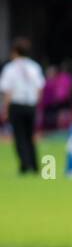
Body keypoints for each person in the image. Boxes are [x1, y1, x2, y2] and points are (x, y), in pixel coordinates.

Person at [0, 38, 44, 174]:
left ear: (15, 52)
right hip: (30, 105)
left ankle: (25, 165)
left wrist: (5, 109)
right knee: (30, 135)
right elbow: (39, 88)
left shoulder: (10, 68)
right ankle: (35, 165)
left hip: (16, 105)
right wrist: (36, 103)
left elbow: (8, 91)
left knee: (19, 136)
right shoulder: (34, 66)